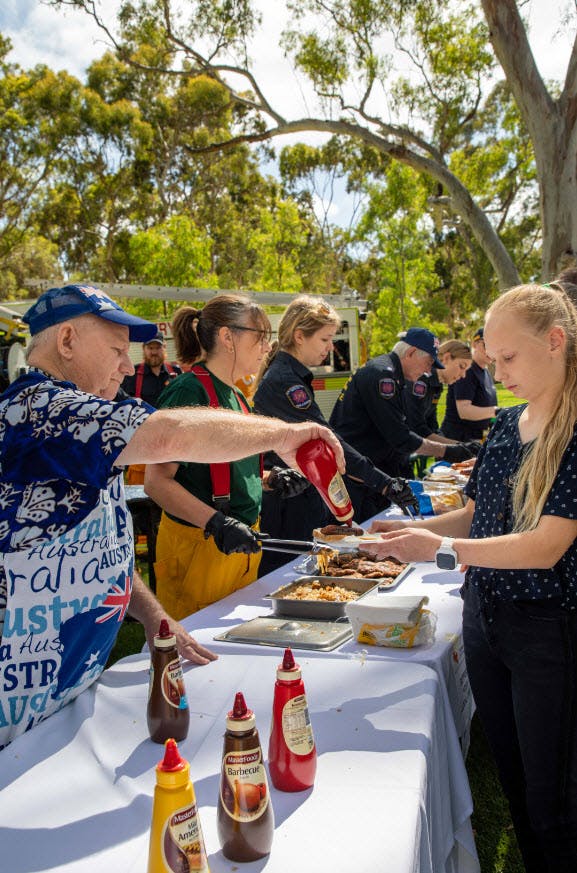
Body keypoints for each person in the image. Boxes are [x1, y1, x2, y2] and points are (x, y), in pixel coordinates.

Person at [0, 283, 344, 748]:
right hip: (15, 700)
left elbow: (98, 547)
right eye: (117, 351)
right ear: (66, 341)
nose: (128, 366)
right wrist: (285, 435)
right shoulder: (38, 408)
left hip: (62, 691)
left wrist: (153, 615)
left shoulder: (82, 424)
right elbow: (166, 437)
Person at [364, 284, 577, 873]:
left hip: (549, 628)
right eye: (494, 357)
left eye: (508, 358)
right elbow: (476, 514)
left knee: (554, 799)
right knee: (514, 780)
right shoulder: (507, 425)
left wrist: (441, 548)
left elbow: (546, 546)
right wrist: (411, 534)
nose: (497, 372)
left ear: (555, 342)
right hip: (485, 618)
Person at [145, 297, 311, 617]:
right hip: (199, 549)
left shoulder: (238, 397)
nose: (267, 347)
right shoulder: (188, 392)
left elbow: (224, 470)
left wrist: (269, 480)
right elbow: (156, 482)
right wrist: (216, 523)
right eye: (260, 336)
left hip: (238, 548)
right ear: (227, 337)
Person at [252, 297, 418, 569]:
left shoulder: (290, 376)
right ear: (299, 336)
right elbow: (328, 442)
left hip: (299, 498)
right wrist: (385, 483)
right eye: (325, 339)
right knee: (290, 577)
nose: (331, 347)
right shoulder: (285, 382)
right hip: (288, 506)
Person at [329, 327, 476, 481]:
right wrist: (449, 451)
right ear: (411, 353)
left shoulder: (393, 374)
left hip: (376, 466)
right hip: (358, 472)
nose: (428, 370)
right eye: (428, 363)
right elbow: (400, 436)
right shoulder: (384, 375)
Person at [404, 339, 475, 475]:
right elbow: (417, 428)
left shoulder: (436, 385)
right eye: (462, 366)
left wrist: (459, 446)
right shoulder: (420, 378)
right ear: (446, 358)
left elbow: (432, 427)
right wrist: (457, 447)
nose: (463, 375)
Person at [441, 327, 498, 440]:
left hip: (477, 438)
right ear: (474, 344)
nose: (490, 351)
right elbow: (464, 411)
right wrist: (498, 411)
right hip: (457, 440)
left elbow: (487, 407)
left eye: (494, 346)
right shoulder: (467, 370)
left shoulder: (485, 372)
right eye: (486, 345)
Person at [122, 331, 182, 407]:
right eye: (150, 348)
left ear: (164, 348)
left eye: (158, 348)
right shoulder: (132, 374)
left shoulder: (176, 372)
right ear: (143, 348)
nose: (154, 352)